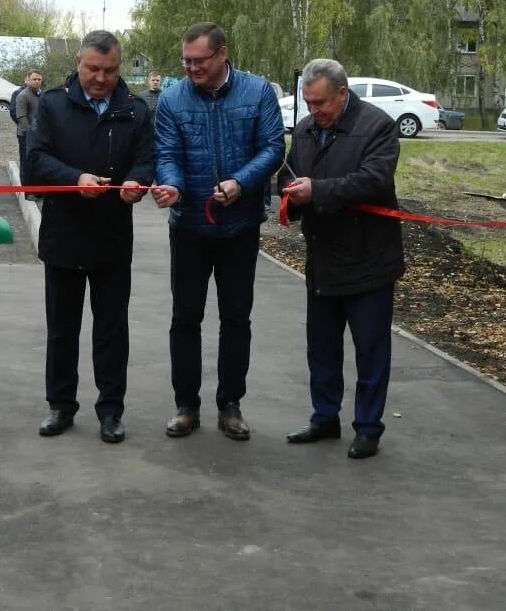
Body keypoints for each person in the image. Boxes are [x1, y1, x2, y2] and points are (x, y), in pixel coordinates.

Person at [152, 22, 285, 441]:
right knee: (185, 318)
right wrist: (172, 185)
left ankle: (230, 405)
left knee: (236, 319)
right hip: (189, 226)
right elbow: (168, 152)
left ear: (222, 53)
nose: (191, 68)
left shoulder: (258, 92)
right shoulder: (172, 100)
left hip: (240, 228)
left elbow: (273, 148)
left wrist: (241, 182)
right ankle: (186, 405)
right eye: (186, 61)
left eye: (200, 61)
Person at [27, 31, 154, 444]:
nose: (101, 78)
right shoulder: (53, 104)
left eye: (110, 70)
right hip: (64, 235)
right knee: (62, 329)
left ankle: (111, 410)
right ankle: (60, 406)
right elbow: (36, 159)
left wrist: (136, 182)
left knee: (111, 331)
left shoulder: (134, 111)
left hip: (112, 237)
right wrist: (73, 178)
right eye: (93, 69)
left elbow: (146, 159)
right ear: (79, 62)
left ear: (120, 67)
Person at [277, 59, 405, 459]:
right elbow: (290, 173)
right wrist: (290, 195)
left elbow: (373, 180)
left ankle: (368, 427)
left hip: (369, 259)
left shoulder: (377, 127)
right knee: (322, 348)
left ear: (342, 94)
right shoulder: (305, 129)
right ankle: (324, 416)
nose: (314, 111)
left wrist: (317, 191)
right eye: (309, 103)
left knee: (370, 351)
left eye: (320, 103)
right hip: (323, 257)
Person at [13, 70, 43, 185]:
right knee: (26, 162)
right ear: (28, 80)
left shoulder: (42, 94)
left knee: (38, 161)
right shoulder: (23, 95)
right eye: (34, 79)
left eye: (39, 79)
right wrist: (31, 132)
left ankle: (36, 188)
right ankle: (26, 189)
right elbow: (21, 117)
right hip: (25, 135)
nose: (37, 81)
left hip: (39, 135)